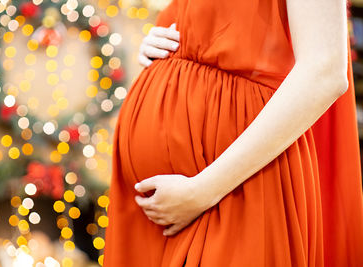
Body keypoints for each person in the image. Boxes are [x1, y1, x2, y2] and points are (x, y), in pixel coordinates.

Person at [104, 0, 363, 266]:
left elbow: (325, 71)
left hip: (234, 188)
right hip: (156, 213)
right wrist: (162, 38)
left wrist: (203, 190)